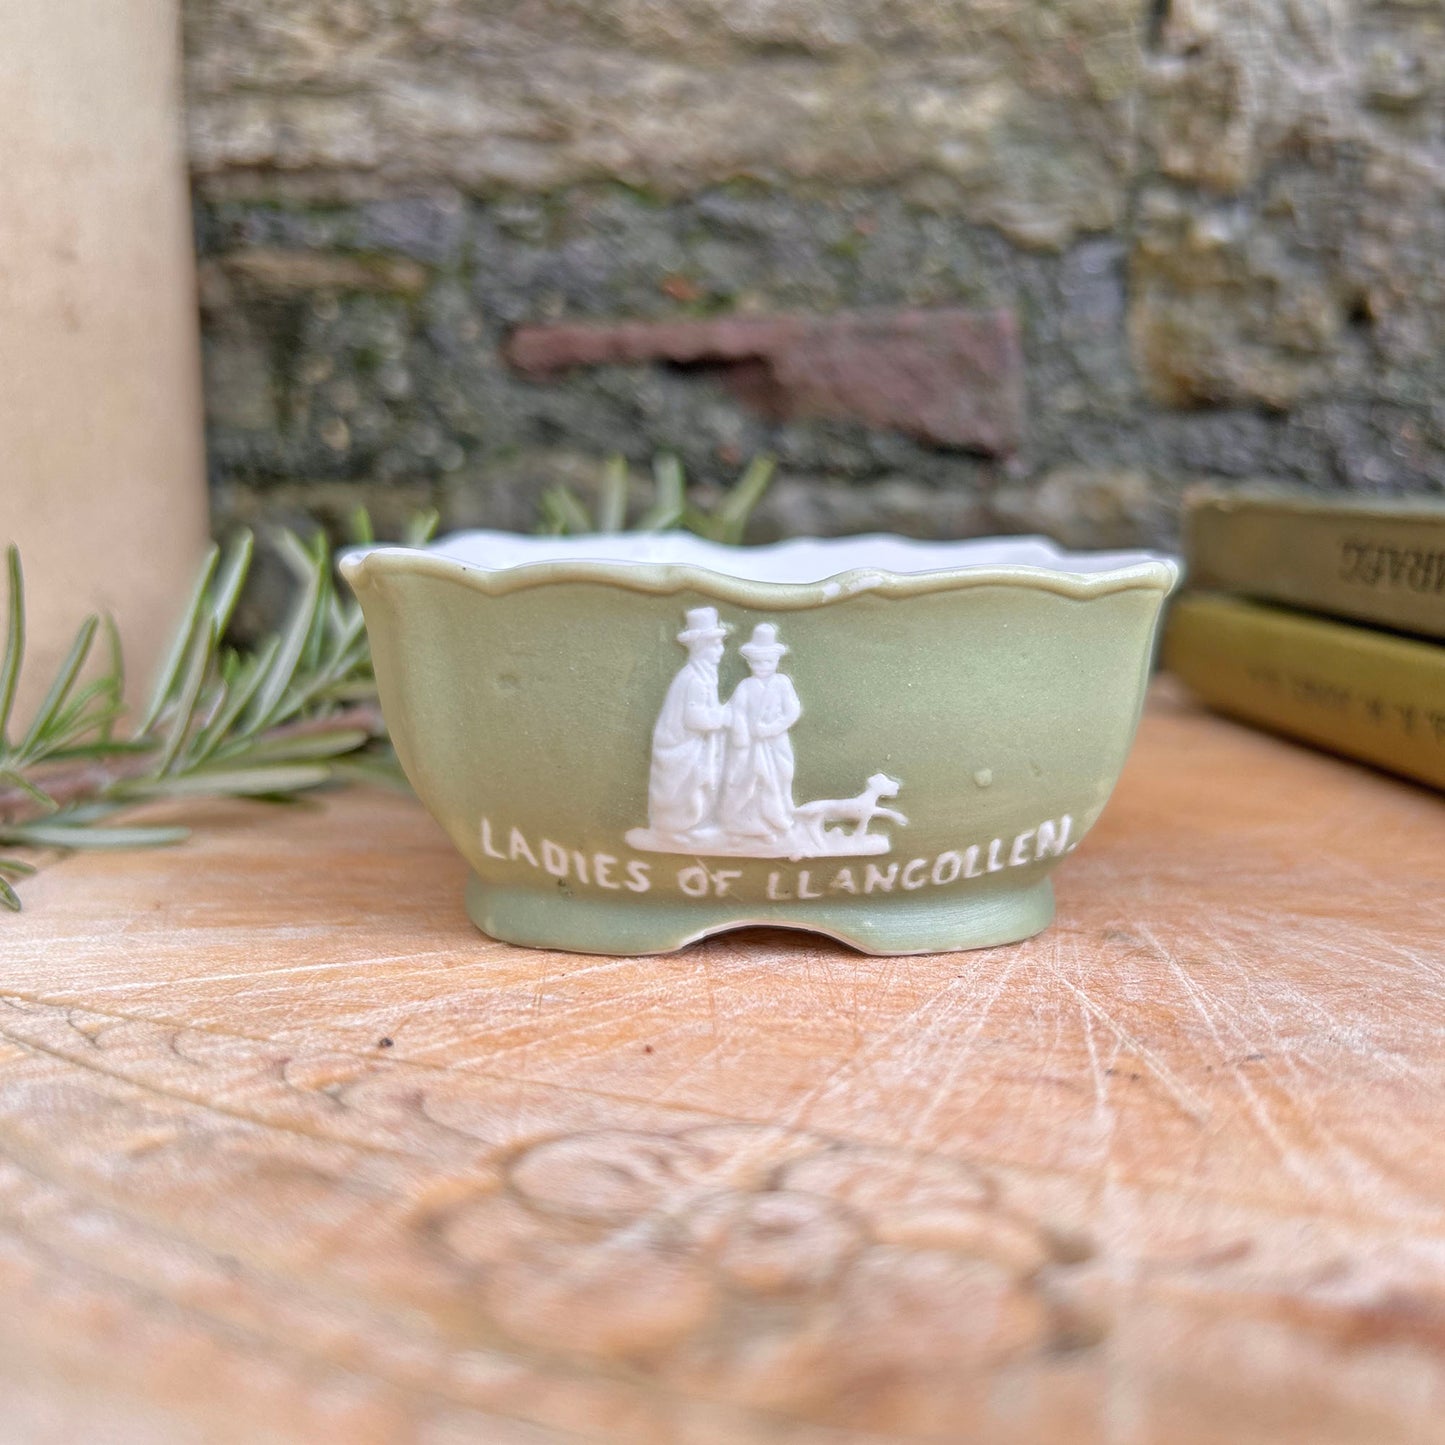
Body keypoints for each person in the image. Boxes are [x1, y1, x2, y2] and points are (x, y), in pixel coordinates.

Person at [641, 607, 731, 843]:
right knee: (682, 789)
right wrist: (723, 717)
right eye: (715, 646)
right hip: (680, 747)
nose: (720, 651)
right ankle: (675, 829)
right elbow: (694, 719)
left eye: (721, 644)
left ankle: (692, 824)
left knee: (696, 788)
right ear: (701, 648)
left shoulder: (705, 675)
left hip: (694, 745)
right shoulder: (693, 679)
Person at [718, 623, 802, 846]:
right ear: (749, 662)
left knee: (779, 777)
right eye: (757, 662)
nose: (763, 666)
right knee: (748, 781)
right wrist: (740, 729)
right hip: (750, 746)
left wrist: (773, 728)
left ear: (776, 661)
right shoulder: (746, 686)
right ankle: (742, 824)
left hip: (775, 743)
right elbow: (735, 711)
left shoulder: (782, 683)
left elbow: (793, 711)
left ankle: (776, 819)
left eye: (768, 661)